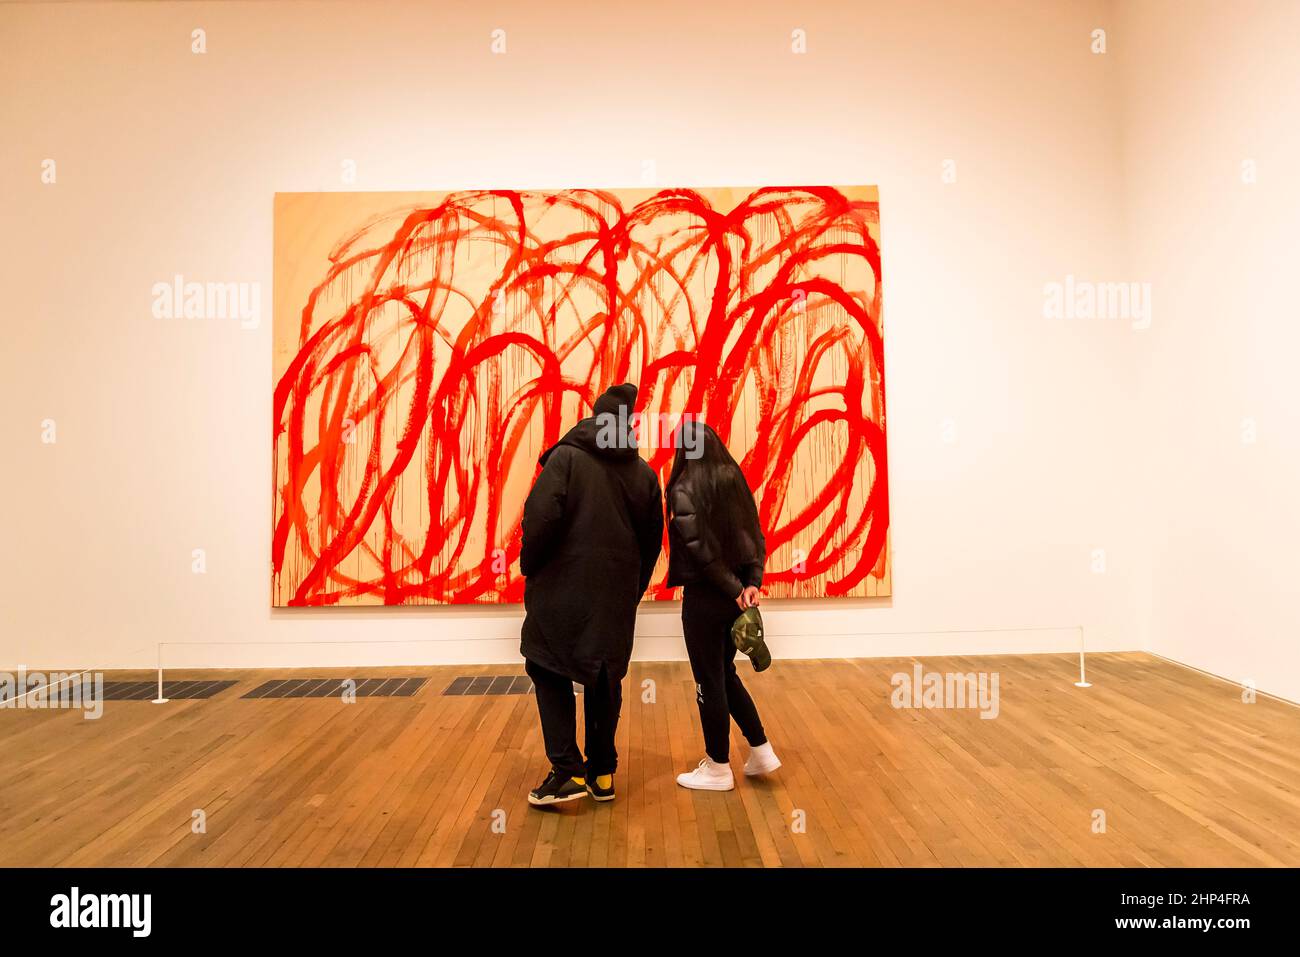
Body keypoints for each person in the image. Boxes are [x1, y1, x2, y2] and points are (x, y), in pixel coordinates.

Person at [519, 383, 663, 806]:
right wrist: (631, 589)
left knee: (546, 666)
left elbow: (540, 519)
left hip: (562, 588)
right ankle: (601, 774)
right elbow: (652, 542)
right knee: (604, 676)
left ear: (594, 419)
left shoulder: (565, 458)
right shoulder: (645, 475)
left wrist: (531, 565)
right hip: (614, 593)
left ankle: (566, 769)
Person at [666, 420, 780, 790]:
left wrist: (737, 588)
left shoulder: (683, 488)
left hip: (705, 599)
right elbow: (755, 536)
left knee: (709, 681)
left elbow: (701, 552)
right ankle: (761, 749)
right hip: (733, 601)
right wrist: (751, 583)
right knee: (725, 675)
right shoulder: (733, 478)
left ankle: (717, 767)